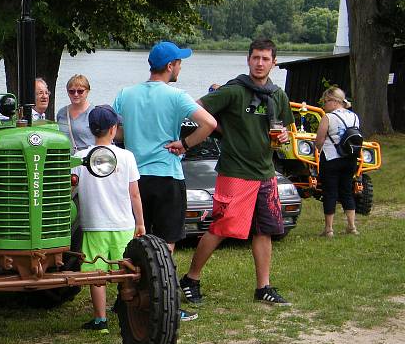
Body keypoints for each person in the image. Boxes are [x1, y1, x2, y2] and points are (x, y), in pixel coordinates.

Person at [179, 38, 295, 306]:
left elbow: (285, 129)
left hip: (266, 172)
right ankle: (191, 279)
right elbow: (195, 108)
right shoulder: (234, 91)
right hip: (235, 172)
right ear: (248, 59)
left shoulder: (278, 95)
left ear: (274, 63)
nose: (260, 63)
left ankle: (263, 287)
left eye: (266, 59)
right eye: (256, 57)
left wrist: (284, 137)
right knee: (221, 227)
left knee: (265, 230)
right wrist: (221, 131)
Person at [114, 41, 216, 321]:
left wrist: (135, 135)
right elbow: (210, 123)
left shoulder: (126, 94)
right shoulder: (176, 96)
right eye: (179, 62)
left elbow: (116, 129)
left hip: (134, 177)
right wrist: (185, 144)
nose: (180, 67)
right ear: (170, 66)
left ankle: (126, 297)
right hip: (167, 176)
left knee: (134, 238)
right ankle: (165, 302)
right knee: (166, 243)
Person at [73, 105, 145, 334]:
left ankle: (100, 319)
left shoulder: (80, 157)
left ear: (91, 129)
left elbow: (69, 189)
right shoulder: (126, 156)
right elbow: (134, 193)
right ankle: (127, 309)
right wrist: (140, 222)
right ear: (114, 129)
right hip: (123, 223)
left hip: (95, 224)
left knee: (97, 275)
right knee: (125, 270)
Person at [315, 86, 359, 236]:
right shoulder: (354, 116)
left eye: (326, 101)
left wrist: (318, 148)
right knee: (347, 190)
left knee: (330, 192)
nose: (324, 105)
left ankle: (329, 229)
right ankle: (352, 226)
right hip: (350, 158)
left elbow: (319, 140)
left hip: (331, 158)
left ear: (334, 101)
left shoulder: (328, 117)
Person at [57, 74, 95, 151]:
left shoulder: (94, 113)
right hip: (66, 158)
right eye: (72, 91)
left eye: (80, 91)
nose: (76, 94)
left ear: (87, 91)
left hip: (86, 158)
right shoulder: (61, 113)